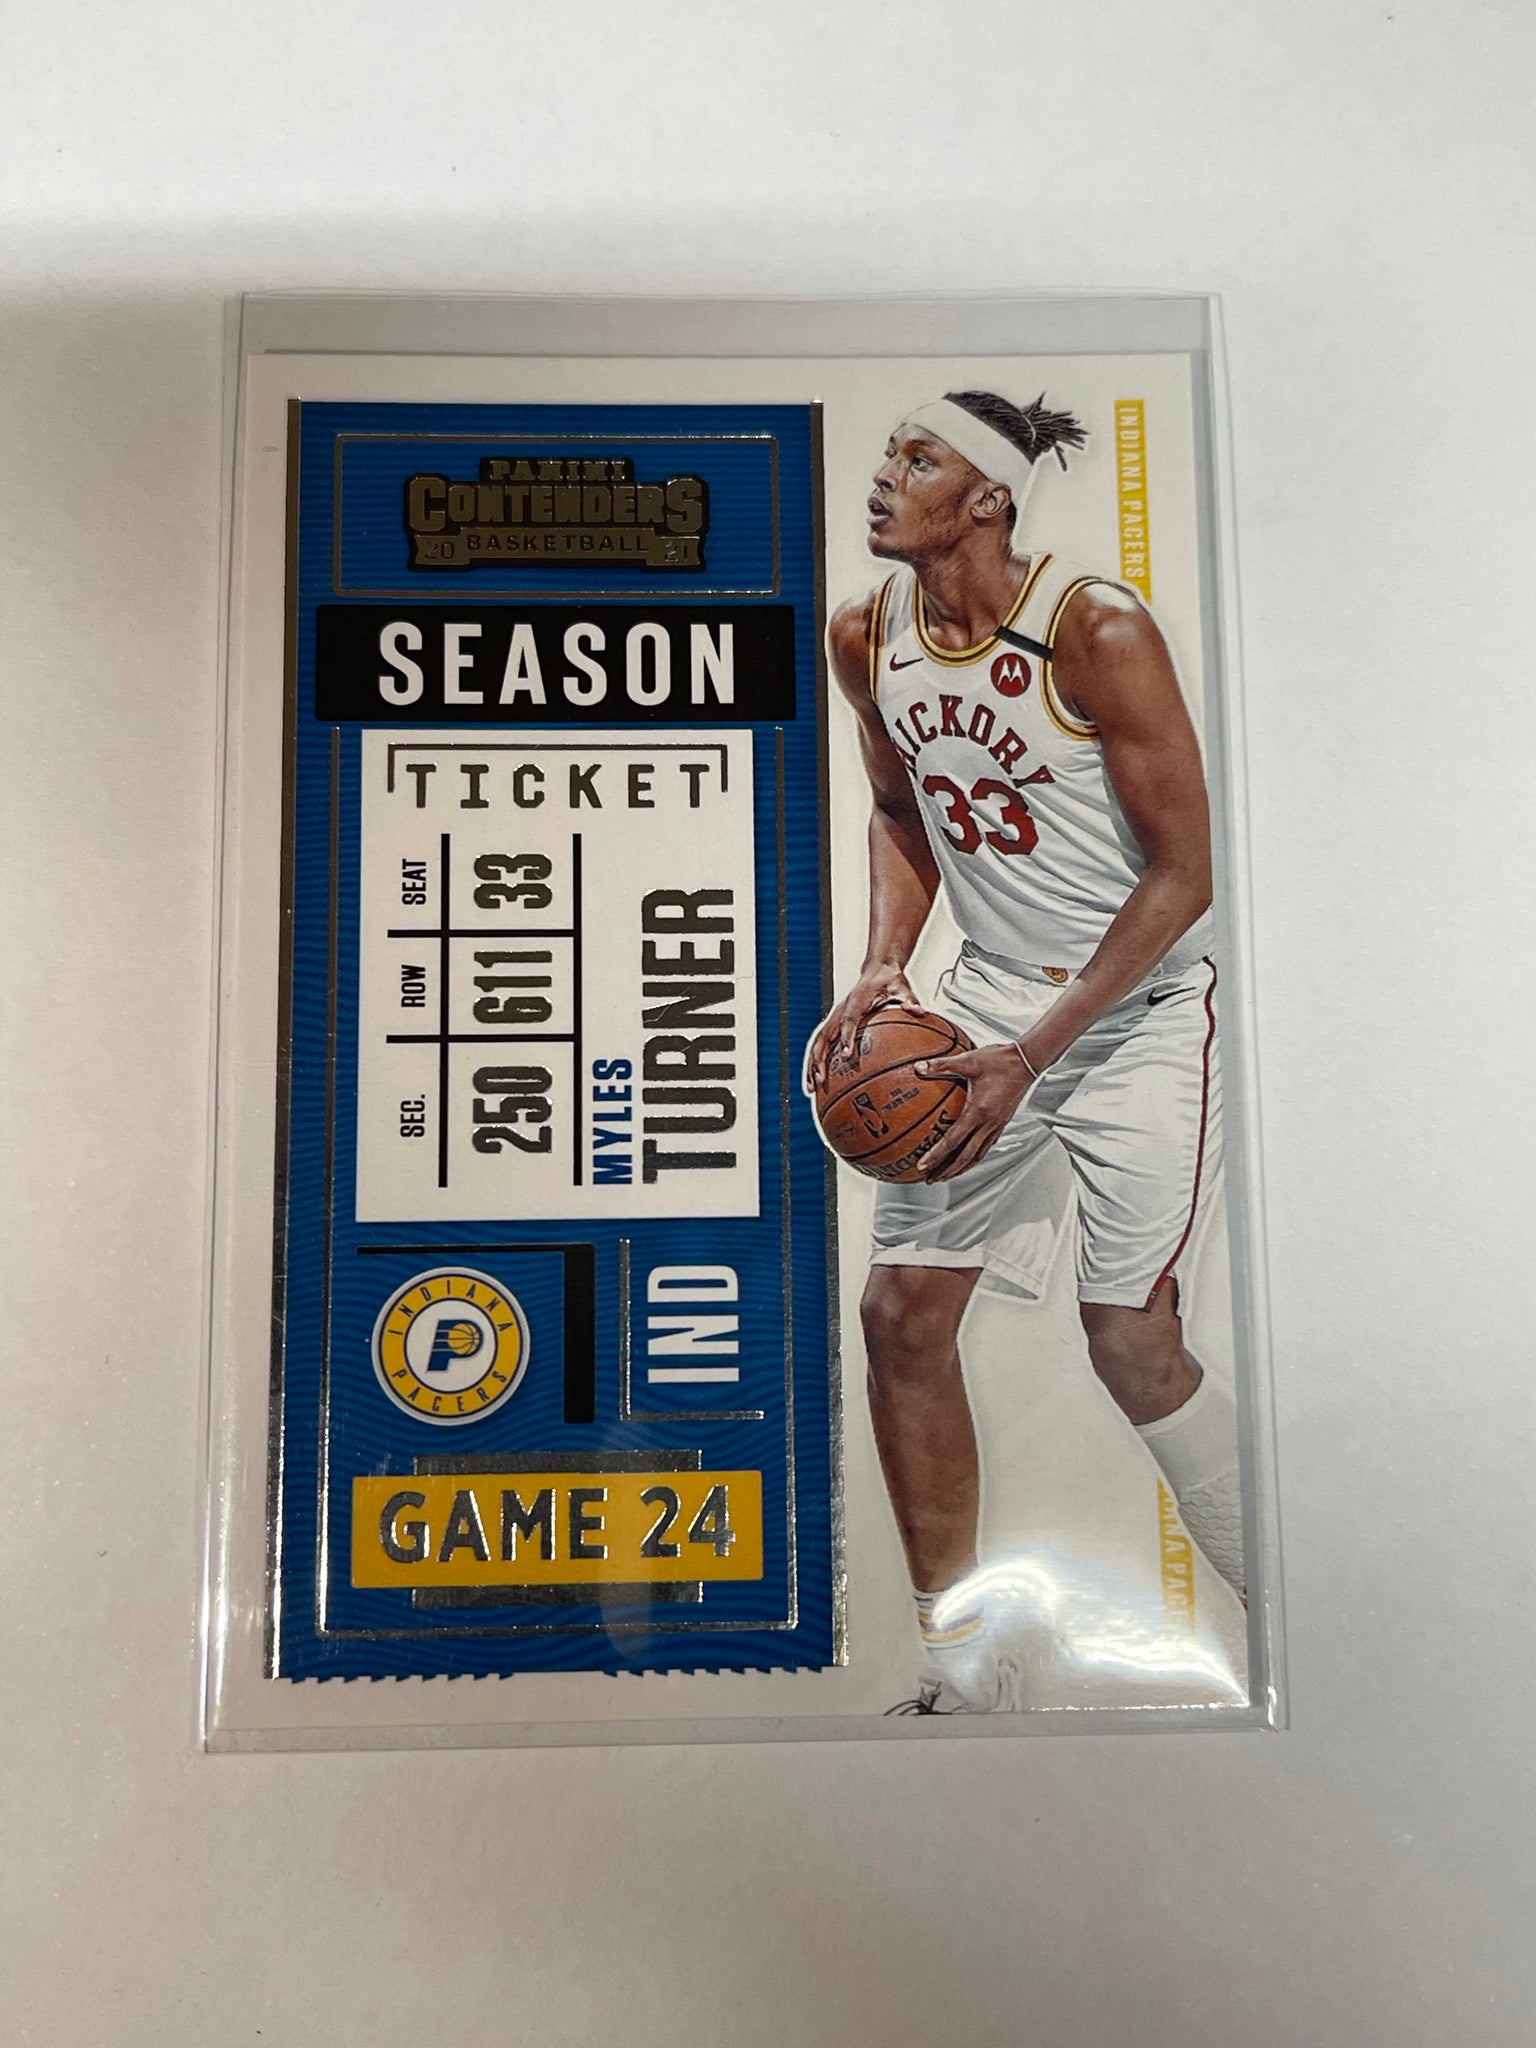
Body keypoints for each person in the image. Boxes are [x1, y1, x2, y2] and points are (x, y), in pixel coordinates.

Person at [808, 391, 1245, 1712]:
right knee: (899, 1316)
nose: (883, 476)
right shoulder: (865, 633)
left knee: (1131, 1343)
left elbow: (1185, 875)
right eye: (888, 453)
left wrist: (1037, 1056)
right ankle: (963, 1662)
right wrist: (884, 964)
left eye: (918, 459)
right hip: (987, 1010)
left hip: (1137, 1017)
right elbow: (900, 810)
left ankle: (1292, 1596)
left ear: (987, 498)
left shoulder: (1094, 630)